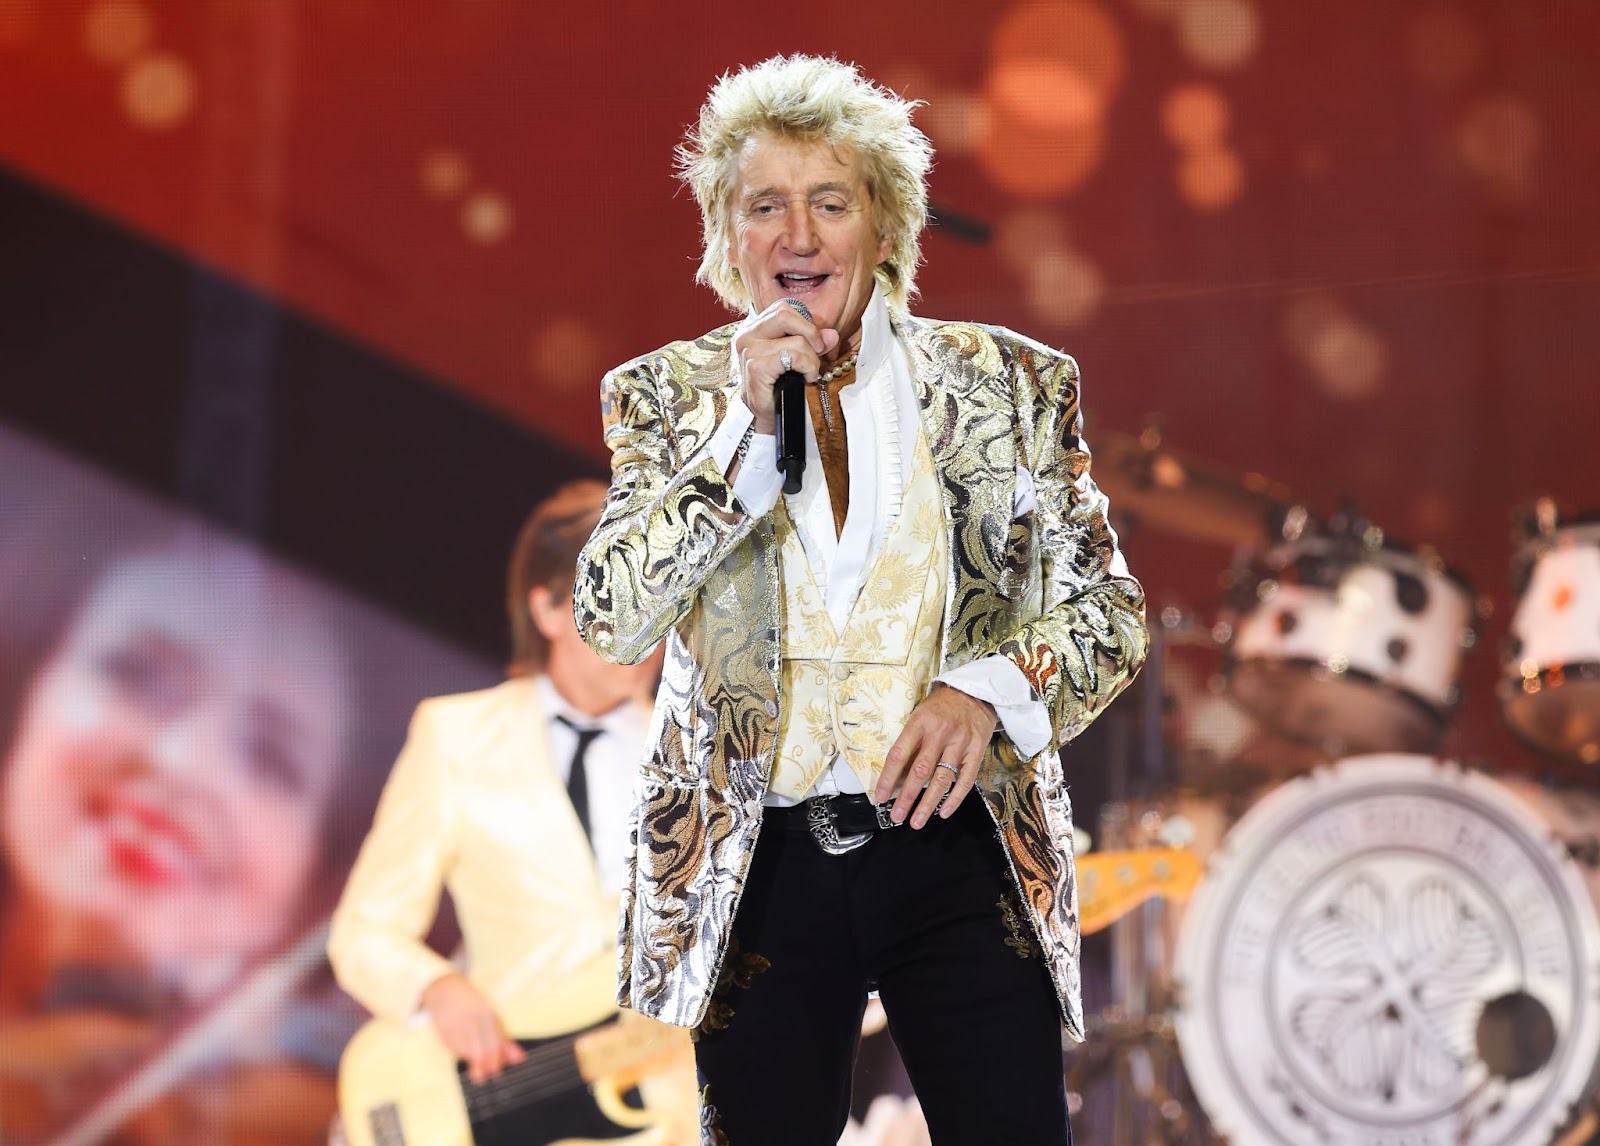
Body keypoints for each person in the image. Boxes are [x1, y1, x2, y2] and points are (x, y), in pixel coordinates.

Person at [574, 55, 1149, 1145]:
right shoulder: (662, 398)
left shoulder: (1009, 383)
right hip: (758, 866)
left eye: (829, 203)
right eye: (765, 207)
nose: (799, 236)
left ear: (883, 227)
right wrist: (739, 435)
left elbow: (1108, 614)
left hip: (959, 850)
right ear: (725, 236)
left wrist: (985, 694)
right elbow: (611, 616)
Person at [327, 480, 692, 1142]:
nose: (646, 624)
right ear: (549, 609)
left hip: (662, 1108)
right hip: (506, 1092)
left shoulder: (698, 762)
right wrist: (437, 989)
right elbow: (365, 929)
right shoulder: (455, 737)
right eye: (620, 595)